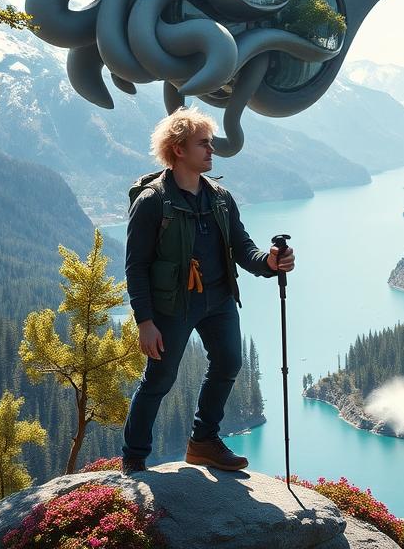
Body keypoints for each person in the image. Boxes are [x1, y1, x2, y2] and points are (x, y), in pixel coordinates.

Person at [120, 107, 295, 474]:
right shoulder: (152, 202)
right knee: (160, 379)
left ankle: (203, 442)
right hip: (172, 305)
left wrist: (269, 262)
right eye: (204, 144)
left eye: (211, 143)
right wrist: (145, 322)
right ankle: (134, 458)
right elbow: (135, 266)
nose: (211, 150)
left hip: (217, 299)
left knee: (229, 361)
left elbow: (242, 248)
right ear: (179, 149)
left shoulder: (219, 197)